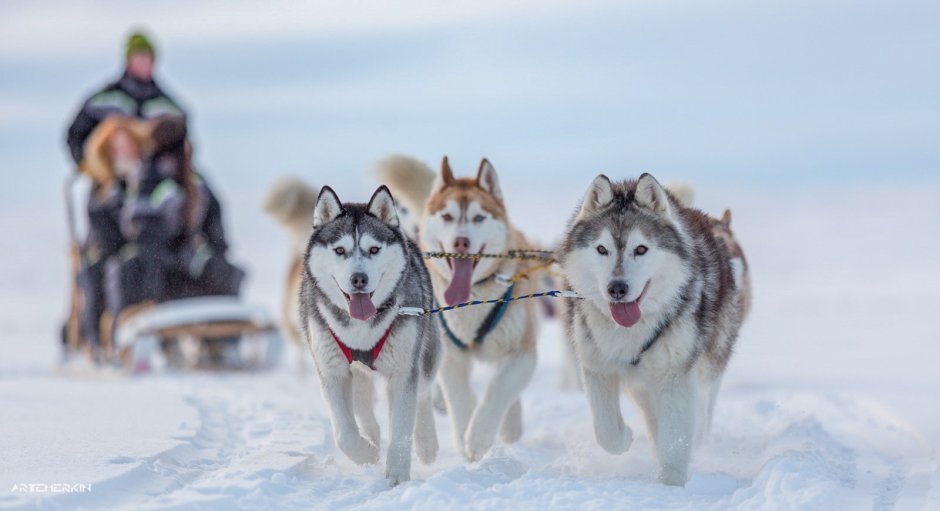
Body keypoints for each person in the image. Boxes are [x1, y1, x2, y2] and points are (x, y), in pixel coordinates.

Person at [64, 32, 242, 362]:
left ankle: (217, 338)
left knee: (202, 262)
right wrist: (92, 167)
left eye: (148, 58)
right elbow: (74, 136)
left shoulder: (170, 106)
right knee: (116, 263)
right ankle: (108, 338)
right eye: (138, 58)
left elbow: (184, 145)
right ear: (128, 59)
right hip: (117, 207)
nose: (143, 64)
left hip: (162, 217)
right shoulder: (103, 99)